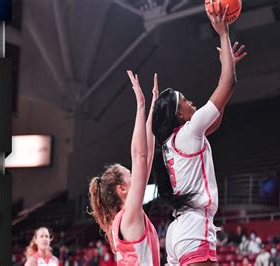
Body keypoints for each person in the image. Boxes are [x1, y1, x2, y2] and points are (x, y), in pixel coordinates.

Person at [151, 3, 247, 265]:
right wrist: (224, 34)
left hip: (179, 232)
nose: (190, 101)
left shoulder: (173, 142)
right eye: (184, 100)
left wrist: (228, 63)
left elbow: (219, 112)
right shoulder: (188, 132)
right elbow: (228, 83)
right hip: (193, 229)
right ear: (178, 115)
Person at [88, 71, 160, 265]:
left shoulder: (125, 217)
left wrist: (153, 108)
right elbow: (140, 156)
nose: (135, 173)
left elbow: (147, 156)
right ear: (122, 189)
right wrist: (141, 105)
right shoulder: (129, 216)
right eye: (130, 174)